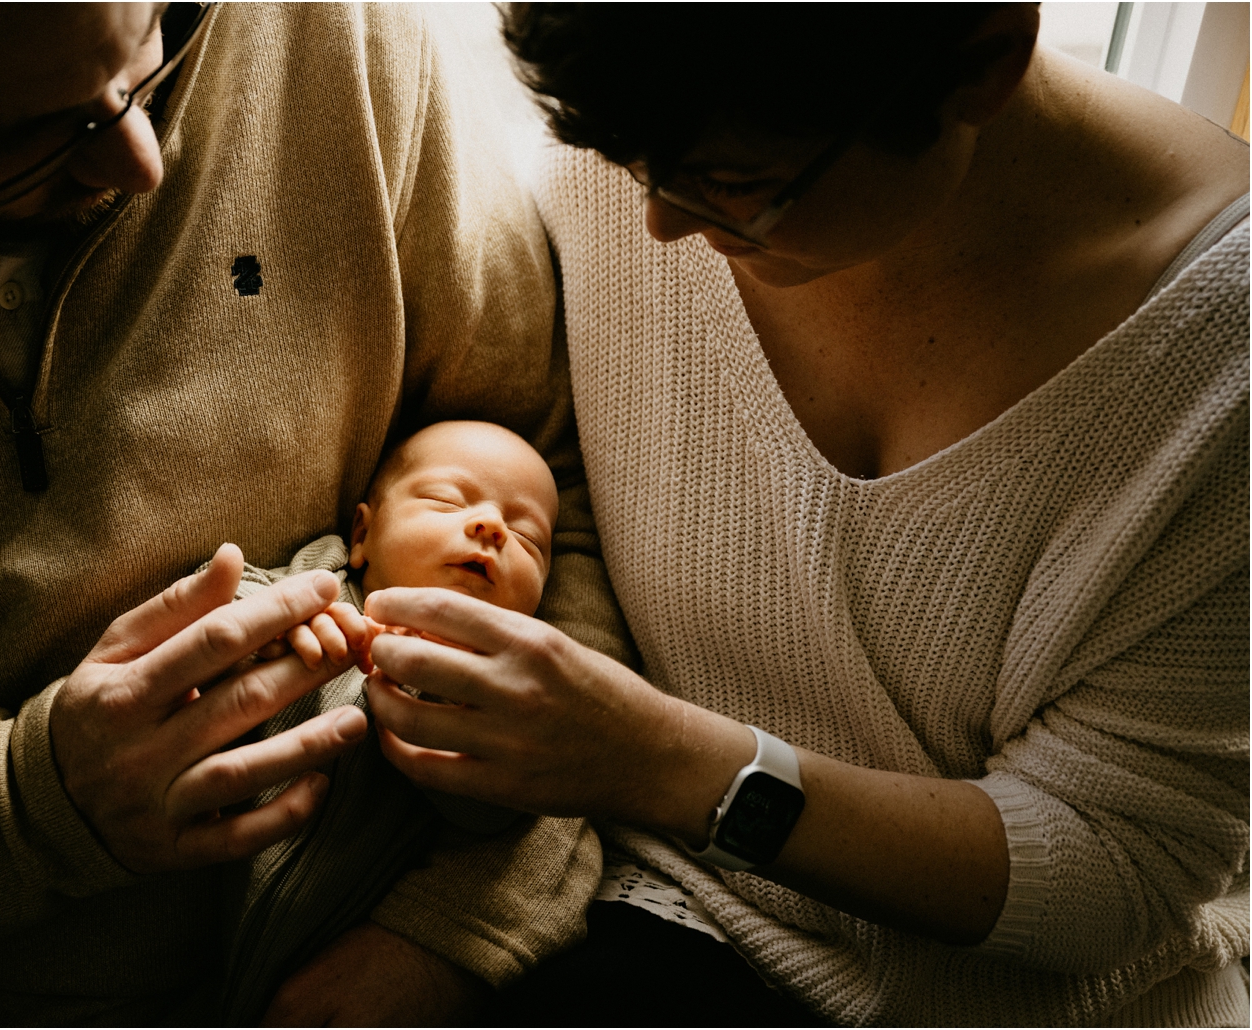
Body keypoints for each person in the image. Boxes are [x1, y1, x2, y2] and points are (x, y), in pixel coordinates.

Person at [0, 4, 634, 1024]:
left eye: (157, 43)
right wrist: (29, 808)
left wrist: (455, 934)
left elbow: (562, 483)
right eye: (25, 138)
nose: (141, 160)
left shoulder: (334, 35)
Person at [363, 3, 1249, 1025]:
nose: (659, 223)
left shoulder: (1218, 361)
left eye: (738, 186)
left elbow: (1113, 870)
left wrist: (657, 762)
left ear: (985, 61)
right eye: (624, 159)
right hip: (654, 920)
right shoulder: (635, 145)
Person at [237, 419, 558, 837]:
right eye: (446, 500)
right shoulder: (315, 585)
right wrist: (273, 624)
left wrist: (447, 691)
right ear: (362, 534)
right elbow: (217, 603)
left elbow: (496, 813)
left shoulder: (503, 692)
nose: (493, 526)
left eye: (526, 536)